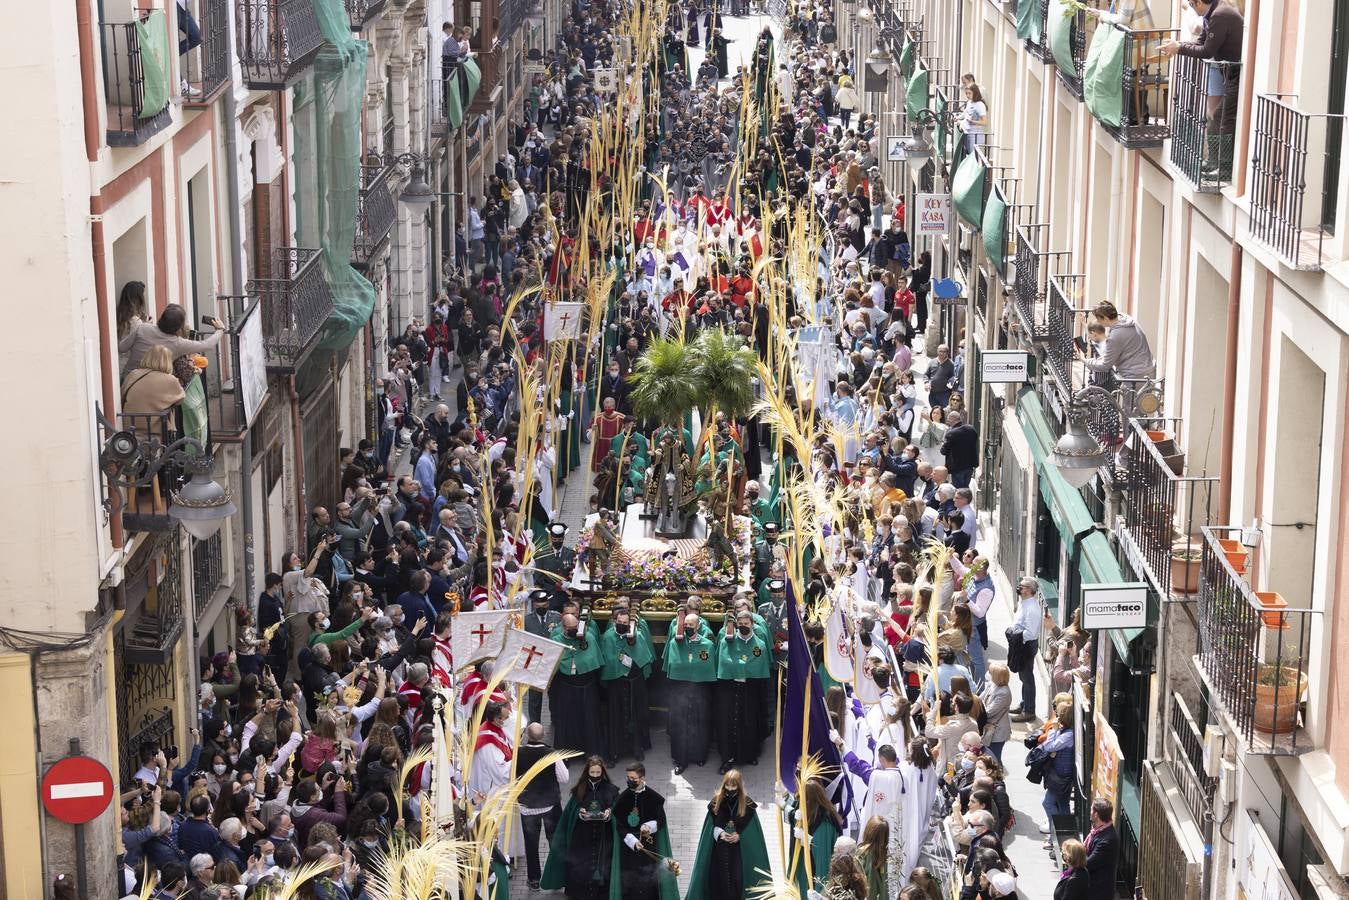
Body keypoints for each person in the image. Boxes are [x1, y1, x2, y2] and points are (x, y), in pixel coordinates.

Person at [541, 756, 620, 899]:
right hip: (582, 836)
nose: (595, 776)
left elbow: (616, 807)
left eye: (598, 773)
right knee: (580, 864)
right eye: (592, 773)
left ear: (602, 772)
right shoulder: (579, 789)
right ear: (587, 772)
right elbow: (572, 810)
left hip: (604, 836)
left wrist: (610, 812)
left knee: (604, 863)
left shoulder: (611, 790)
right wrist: (580, 812)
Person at [686, 769, 772, 900]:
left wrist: (740, 836)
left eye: (733, 785)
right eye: (727, 785)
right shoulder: (716, 802)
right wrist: (720, 833)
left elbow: (752, 833)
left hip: (739, 852)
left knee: (737, 879)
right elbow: (710, 827)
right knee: (718, 880)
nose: (730, 788)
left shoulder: (747, 804)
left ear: (739, 786)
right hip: (719, 849)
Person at [517, 722, 571, 890]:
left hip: (527, 805)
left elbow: (512, 777)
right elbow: (564, 778)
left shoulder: (518, 753)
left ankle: (534, 880)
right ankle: (557, 876)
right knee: (555, 841)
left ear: (527, 735)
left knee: (531, 844)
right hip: (550, 804)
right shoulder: (551, 754)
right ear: (544, 735)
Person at [663, 612, 718, 775]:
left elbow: (709, 667)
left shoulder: (707, 644)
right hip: (680, 692)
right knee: (680, 726)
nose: (687, 628)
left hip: (700, 691)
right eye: (685, 625)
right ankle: (681, 760)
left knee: (700, 723)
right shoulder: (675, 642)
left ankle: (699, 755)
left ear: (698, 626)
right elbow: (673, 665)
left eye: (691, 625)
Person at [611, 763, 675, 900]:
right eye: (628, 778)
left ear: (642, 778)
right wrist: (632, 841)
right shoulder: (622, 799)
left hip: (649, 847)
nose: (630, 781)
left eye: (633, 778)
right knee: (630, 885)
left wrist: (649, 826)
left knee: (649, 884)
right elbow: (620, 826)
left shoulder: (654, 798)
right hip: (629, 850)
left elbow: (661, 821)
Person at [599, 606, 654, 763]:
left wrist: (629, 660)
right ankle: (615, 751)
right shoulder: (608, 637)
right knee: (615, 717)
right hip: (617, 685)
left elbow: (644, 657)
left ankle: (637, 748)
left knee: (636, 716)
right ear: (614, 621)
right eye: (619, 622)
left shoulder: (637, 635)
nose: (622, 624)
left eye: (625, 622)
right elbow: (608, 659)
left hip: (634, 683)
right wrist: (621, 662)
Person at [549, 613, 607, 761]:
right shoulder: (556, 641)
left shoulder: (588, 638)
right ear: (563, 627)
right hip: (567, 688)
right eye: (570, 628)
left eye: (576, 628)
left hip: (587, 687)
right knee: (567, 723)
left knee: (590, 721)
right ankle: (566, 756)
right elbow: (553, 667)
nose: (574, 631)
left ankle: (591, 753)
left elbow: (596, 662)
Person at [118, 303, 224, 375]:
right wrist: (220, 330)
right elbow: (207, 345)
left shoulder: (142, 327)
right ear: (179, 326)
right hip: (155, 390)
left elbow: (122, 348)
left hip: (129, 382)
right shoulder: (178, 343)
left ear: (161, 317)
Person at [787, 777, 842, 898]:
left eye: (803, 799)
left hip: (815, 869)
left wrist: (806, 838)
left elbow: (823, 853)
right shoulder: (811, 811)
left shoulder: (825, 821)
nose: (799, 802)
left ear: (809, 800)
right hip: (805, 864)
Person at [1079, 300, 1156, 383]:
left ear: (1105, 318)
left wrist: (1084, 360)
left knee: (1133, 396)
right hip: (1147, 370)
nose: (1098, 322)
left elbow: (1105, 365)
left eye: (1098, 319)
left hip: (1135, 377)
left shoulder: (1115, 336)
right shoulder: (1127, 319)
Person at [1008, 577, 1045, 721]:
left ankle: (1029, 711)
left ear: (1029, 590)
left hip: (1026, 645)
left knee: (1027, 677)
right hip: (1020, 643)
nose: (1019, 588)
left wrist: (1016, 639)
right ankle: (1024, 704)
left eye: (1022, 586)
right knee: (1023, 676)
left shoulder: (1032, 609)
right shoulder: (1023, 602)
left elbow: (1029, 633)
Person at [1083, 798, 1120, 900]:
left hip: (1098, 892)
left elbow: (1088, 863)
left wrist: (1072, 858)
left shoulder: (1107, 840)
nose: (1089, 812)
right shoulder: (1097, 831)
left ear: (1096, 815)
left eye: (1091, 810)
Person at [980, 663, 1013, 761]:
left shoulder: (1004, 693)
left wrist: (979, 707)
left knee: (994, 759)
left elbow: (989, 712)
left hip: (997, 731)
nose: (987, 673)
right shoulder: (991, 684)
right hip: (988, 727)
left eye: (990, 672)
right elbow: (980, 698)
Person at [941, 412, 979, 489]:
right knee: (965, 488)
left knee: (958, 490)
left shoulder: (951, 433)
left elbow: (943, 451)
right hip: (969, 465)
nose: (948, 421)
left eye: (948, 419)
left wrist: (943, 445)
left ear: (952, 419)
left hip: (957, 467)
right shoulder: (971, 429)